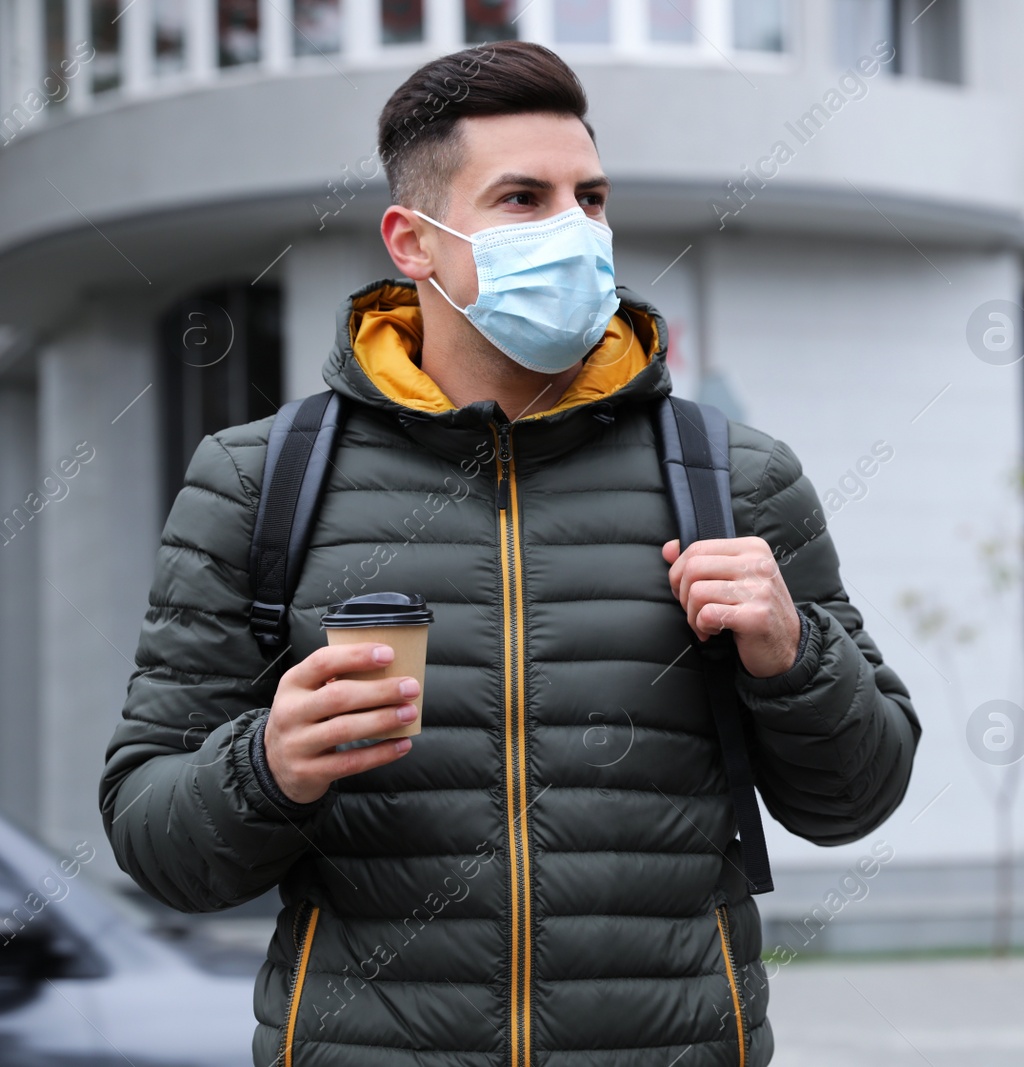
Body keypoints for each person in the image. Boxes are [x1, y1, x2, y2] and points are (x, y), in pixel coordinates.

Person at [98, 41, 919, 1067]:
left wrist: (793, 655)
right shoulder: (258, 479)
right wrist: (265, 766)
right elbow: (153, 838)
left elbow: (860, 795)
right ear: (413, 241)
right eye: (524, 199)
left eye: (592, 197)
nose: (575, 230)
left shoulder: (730, 475)